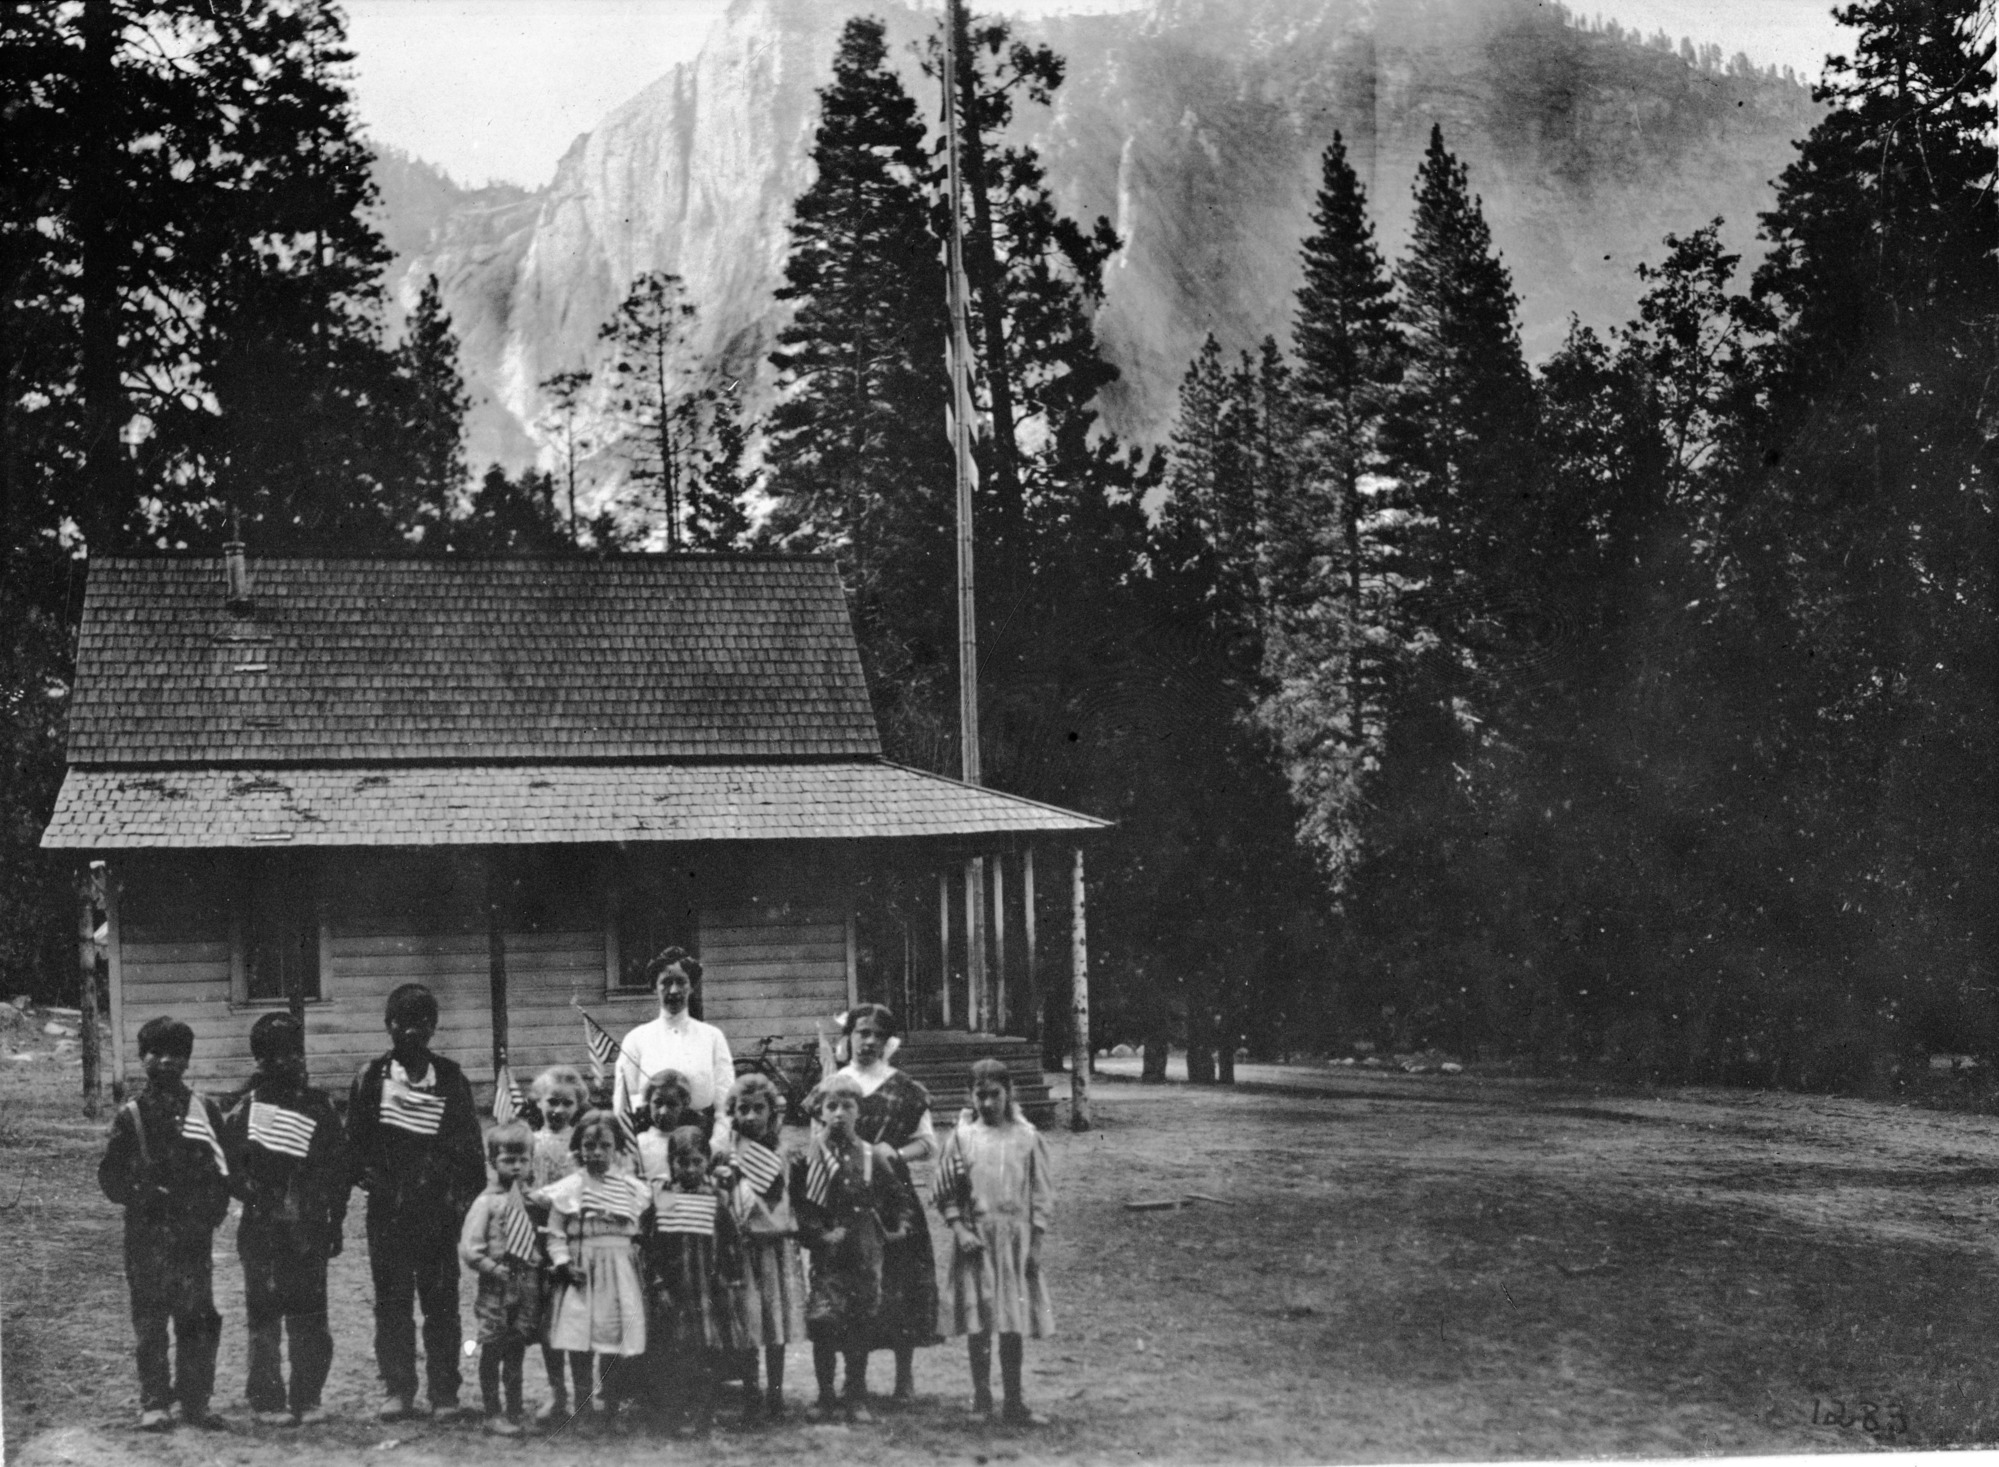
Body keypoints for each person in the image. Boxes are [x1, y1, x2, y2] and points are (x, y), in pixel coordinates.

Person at [346, 983, 487, 1422]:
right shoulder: (372, 1078)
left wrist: (464, 1205)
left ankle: (445, 1392)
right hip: (389, 1212)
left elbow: (470, 1152)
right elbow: (354, 1145)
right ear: (388, 1025)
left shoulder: (450, 1079)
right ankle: (398, 1390)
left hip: (437, 1213)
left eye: (422, 1024)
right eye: (402, 1023)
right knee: (392, 1301)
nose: (412, 1032)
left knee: (441, 1301)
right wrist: (368, 1174)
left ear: (433, 1027)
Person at [98, 1016, 232, 1432]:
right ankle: (155, 1401)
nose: (166, 1062)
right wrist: (142, 1194)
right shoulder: (131, 1116)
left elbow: (223, 1169)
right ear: (142, 1059)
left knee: (197, 1317)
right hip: (147, 1234)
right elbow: (111, 1178)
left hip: (193, 1233)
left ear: (188, 1061)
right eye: (156, 1053)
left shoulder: (205, 1110)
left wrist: (210, 1211)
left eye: (176, 1054)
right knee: (151, 1319)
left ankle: (195, 1401)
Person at [220, 1012, 346, 1427]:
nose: (287, 1063)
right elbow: (229, 1167)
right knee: (265, 1314)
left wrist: (335, 1220)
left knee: (310, 1314)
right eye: (274, 1057)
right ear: (259, 1062)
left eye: (294, 1053)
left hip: (309, 1226)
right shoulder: (246, 1109)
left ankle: (308, 1395)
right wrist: (251, 1189)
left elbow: (337, 1168)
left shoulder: (320, 1107)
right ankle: (267, 1398)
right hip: (262, 1227)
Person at [935, 1059, 1054, 1424]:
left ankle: (1014, 1401)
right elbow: (946, 1194)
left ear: (1009, 1093)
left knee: (1011, 1321)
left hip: (1014, 1241)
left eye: (995, 1095)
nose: (987, 1103)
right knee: (980, 1320)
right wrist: (961, 1231)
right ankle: (982, 1398)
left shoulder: (1027, 1138)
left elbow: (1041, 1194)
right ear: (969, 1096)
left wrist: (1034, 1245)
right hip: (977, 1241)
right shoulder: (961, 1137)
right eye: (980, 1095)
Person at [793, 1072, 915, 1423]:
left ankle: (856, 1395)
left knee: (859, 1326)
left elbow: (898, 1196)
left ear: (859, 1111)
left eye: (847, 1106)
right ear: (820, 1112)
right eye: (831, 1106)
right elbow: (803, 1206)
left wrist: (900, 1227)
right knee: (825, 1325)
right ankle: (825, 1395)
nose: (839, 1114)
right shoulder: (813, 1156)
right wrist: (817, 1234)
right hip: (828, 1255)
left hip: (864, 1252)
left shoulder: (871, 1154)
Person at [837, 1003, 943, 1400]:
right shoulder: (835, 1086)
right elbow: (819, 1141)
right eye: (861, 1032)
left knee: (902, 1284)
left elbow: (928, 1144)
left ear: (887, 1042)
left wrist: (892, 1153)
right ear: (848, 1037)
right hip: (849, 1197)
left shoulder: (905, 1088)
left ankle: (904, 1377)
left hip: (894, 1199)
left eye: (876, 1035)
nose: (867, 1041)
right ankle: (854, 1379)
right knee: (853, 1286)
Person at [541, 1108, 652, 1431]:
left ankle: (612, 1406)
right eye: (589, 1146)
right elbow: (555, 1234)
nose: (597, 1152)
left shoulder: (630, 1188)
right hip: (581, 1272)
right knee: (581, 1341)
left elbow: (640, 1231)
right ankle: (583, 1406)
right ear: (579, 1148)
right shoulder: (570, 1187)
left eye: (604, 1145)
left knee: (614, 1341)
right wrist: (563, 1263)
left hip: (618, 1272)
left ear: (617, 1148)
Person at [718, 1073, 806, 1422]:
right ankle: (752, 1390)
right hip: (743, 1246)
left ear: (772, 1112)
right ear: (733, 1112)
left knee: (776, 1320)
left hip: (777, 1246)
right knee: (749, 1320)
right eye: (743, 1109)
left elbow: (792, 1199)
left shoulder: (784, 1152)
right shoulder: (726, 1154)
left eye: (759, 1109)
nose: (751, 1117)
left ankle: (777, 1393)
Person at [644, 1126, 742, 1436]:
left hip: (706, 1290)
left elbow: (731, 1241)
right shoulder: (663, 1199)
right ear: (670, 1162)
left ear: (707, 1163)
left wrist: (731, 1279)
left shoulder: (715, 1198)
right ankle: (674, 1416)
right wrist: (658, 1285)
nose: (689, 1169)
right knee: (672, 1354)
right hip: (674, 1292)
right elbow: (651, 1248)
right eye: (682, 1162)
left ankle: (705, 1415)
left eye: (697, 1162)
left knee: (707, 1354)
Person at [459, 1120, 548, 1436]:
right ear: (492, 1162)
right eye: (508, 1160)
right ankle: (492, 1412)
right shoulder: (486, 1202)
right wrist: (489, 1266)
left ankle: (514, 1409)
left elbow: (538, 1239)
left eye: (523, 1159)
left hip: (525, 1285)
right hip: (496, 1286)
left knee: (516, 1348)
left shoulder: (530, 1202)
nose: (516, 1166)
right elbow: (470, 1248)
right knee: (492, 1346)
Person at [612, 948, 733, 1142]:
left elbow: (725, 1102)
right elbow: (622, 1104)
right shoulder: (636, 1039)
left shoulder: (712, 1037)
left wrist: (718, 1143)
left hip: (701, 1142)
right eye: (666, 983)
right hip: (650, 1139)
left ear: (692, 986)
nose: (674, 990)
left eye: (681, 982)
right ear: (654, 987)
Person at [527, 1064, 585, 1423]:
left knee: (577, 1315)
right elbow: (522, 1186)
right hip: (540, 1238)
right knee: (548, 1319)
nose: (558, 1110)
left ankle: (582, 1392)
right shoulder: (531, 1142)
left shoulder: (583, 1142)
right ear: (538, 1101)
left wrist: (550, 1196)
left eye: (567, 1103)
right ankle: (556, 1390)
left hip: (577, 1237)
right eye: (552, 1102)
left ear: (578, 1105)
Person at [635, 1069, 693, 1182]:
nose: (663, 1111)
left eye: (672, 1104)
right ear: (648, 1102)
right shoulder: (640, 1143)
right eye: (658, 1103)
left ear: (684, 1106)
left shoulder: (690, 1141)